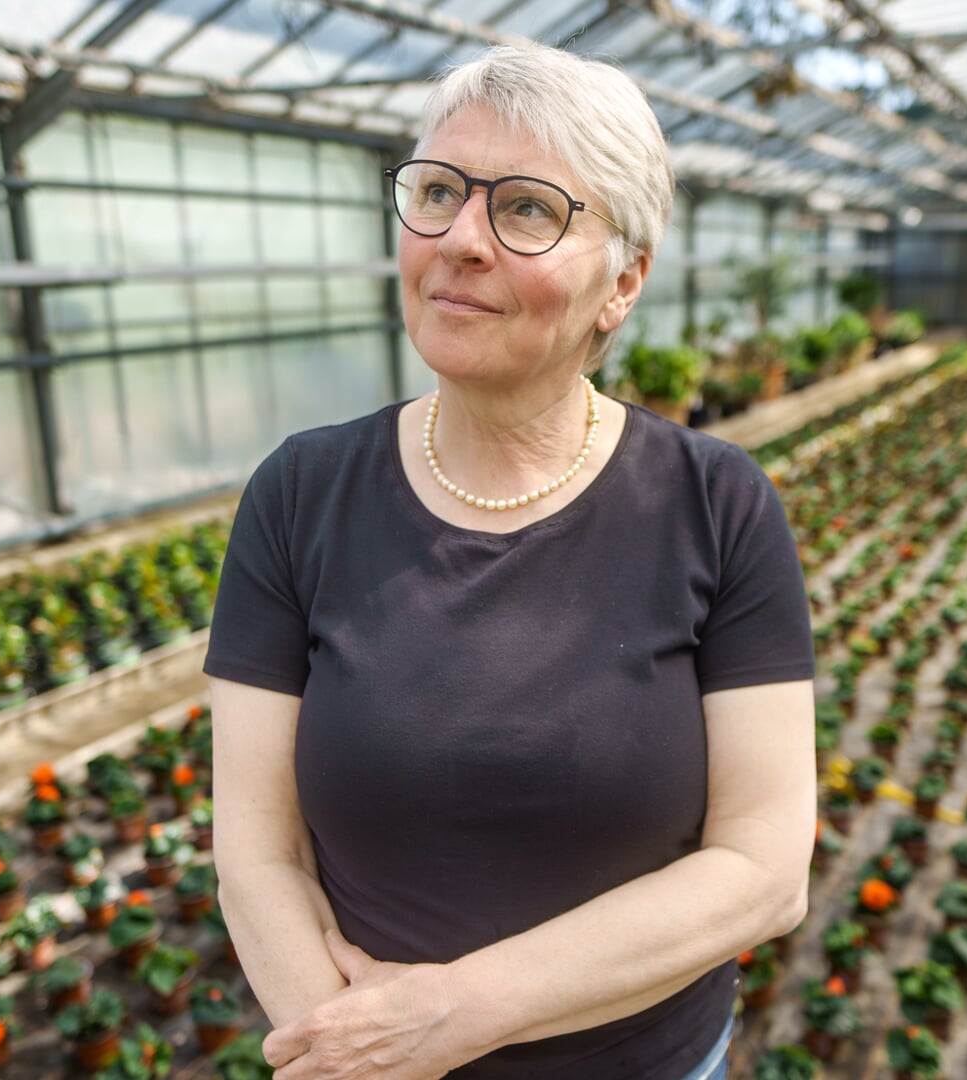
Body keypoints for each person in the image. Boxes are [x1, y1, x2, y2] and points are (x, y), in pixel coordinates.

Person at [203, 42, 817, 1080]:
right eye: (437, 192)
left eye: (526, 209)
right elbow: (256, 846)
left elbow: (762, 867)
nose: (460, 239)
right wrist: (348, 1048)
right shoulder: (300, 494)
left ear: (622, 283)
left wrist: (455, 1014)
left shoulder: (715, 506)